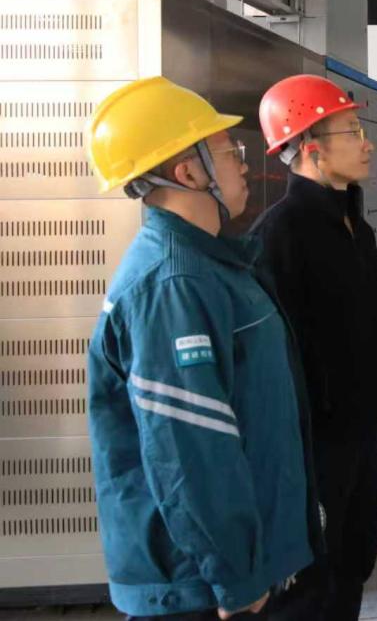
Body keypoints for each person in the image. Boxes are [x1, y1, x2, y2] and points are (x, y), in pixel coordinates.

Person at [84, 76, 321, 620]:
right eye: (229, 151)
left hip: (236, 566)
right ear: (188, 173)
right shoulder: (173, 285)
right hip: (200, 586)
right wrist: (235, 573)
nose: (244, 164)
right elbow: (189, 449)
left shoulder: (211, 265)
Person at [249, 74, 377, 621]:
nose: (367, 143)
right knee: (313, 579)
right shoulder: (278, 236)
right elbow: (274, 361)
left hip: (361, 430)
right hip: (313, 444)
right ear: (311, 147)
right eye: (352, 131)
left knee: (355, 558)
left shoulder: (356, 226)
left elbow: (370, 323)